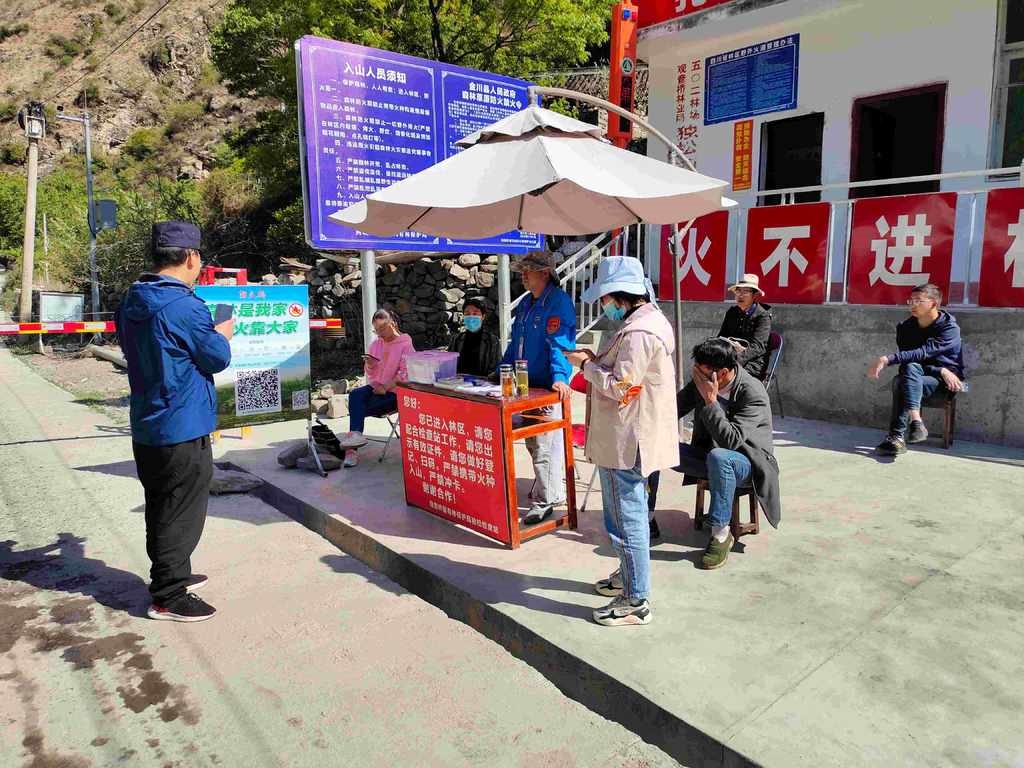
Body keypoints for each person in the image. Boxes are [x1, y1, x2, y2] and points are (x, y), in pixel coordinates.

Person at [116, 221, 233, 622]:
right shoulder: (184, 306)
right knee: (182, 508)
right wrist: (223, 332)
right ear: (191, 257)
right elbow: (216, 357)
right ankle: (169, 595)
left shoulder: (132, 299)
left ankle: (172, 573)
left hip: (149, 420)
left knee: (161, 502)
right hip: (182, 423)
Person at [564, 257, 677, 627]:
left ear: (619, 295)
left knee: (627, 520)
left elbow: (622, 388)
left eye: (605, 299)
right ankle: (629, 576)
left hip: (627, 441)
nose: (604, 305)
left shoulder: (640, 333)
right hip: (632, 436)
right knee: (628, 515)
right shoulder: (645, 323)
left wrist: (585, 366)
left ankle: (636, 599)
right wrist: (594, 361)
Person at [672, 338, 781, 570]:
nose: (696, 377)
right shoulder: (702, 381)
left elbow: (731, 441)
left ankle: (721, 534)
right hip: (709, 456)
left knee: (720, 457)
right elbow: (672, 410)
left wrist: (711, 402)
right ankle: (647, 516)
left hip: (748, 464)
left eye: (701, 373)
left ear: (721, 373)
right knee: (653, 444)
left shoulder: (752, 392)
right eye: (696, 370)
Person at [500, 250, 576, 524]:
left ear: (544, 273)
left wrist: (560, 376)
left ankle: (547, 501)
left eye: (528, 270)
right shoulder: (526, 303)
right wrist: (501, 368)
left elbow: (559, 343)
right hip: (525, 385)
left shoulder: (558, 302)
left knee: (544, 445)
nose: (523, 275)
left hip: (546, 387)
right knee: (533, 443)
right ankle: (549, 490)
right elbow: (515, 343)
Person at [868, 283, 965, 456]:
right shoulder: (905, 328)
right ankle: (915, 423)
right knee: (906, 372)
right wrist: (939, 369)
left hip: (946, 383)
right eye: (910, 301)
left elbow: (924, 352)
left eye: (918, 301)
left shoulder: (949, 328)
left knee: (902, 379)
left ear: (933, 303)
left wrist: (887, 359)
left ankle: (896, 436)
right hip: (916, 376)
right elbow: (910, 359)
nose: (912, 304)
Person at [339, 307, 415, 467]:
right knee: (355, 395)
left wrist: (386, 387)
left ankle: (351, 450)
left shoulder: (405, 344)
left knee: (359, 409)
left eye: (382, 328)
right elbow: (371, 375)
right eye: (376, 330)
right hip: (376, 387)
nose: (379, 333)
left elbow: (406, 374)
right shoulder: (376, 344)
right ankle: (355, 438)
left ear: (393, 324)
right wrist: (370, 365)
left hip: (394, 393)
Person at [718, 273, 772, 380]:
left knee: (726, 375)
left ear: (755, 295)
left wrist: (735, 359)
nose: (740, 295)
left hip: (753, 362)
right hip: (730, 357)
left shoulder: (763, 316)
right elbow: (721, 337)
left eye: (745, 291)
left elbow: (757, 347)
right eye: (738, 291)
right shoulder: (732, 312)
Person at [448, 297, 501, 378]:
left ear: (483, 317)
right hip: (458, 382)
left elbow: (495, 369)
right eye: (467, 314)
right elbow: (449, 364)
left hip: (483, 383)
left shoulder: (492, 341)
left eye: (475, 314)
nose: (471, 317)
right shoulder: (456, 339)